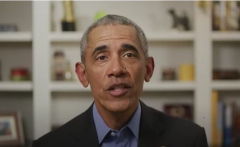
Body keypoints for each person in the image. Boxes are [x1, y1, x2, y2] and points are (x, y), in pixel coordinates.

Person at [32, 15, 208, 147]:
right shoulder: (49, 145)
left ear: (148, 69)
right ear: (82, 75)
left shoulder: (190, 139)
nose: (116, 69)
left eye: (128, 55)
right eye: (101, 57)